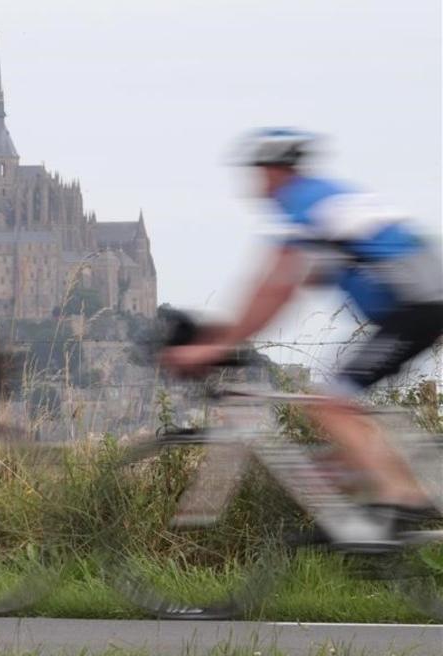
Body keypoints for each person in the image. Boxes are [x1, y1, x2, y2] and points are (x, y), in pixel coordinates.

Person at [164, 128, 443, 535]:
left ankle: (403, 501)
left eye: (260, 173)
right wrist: (226, 335)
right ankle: (357, 515)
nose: (257, 184)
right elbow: (290, 290)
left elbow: (273, 289)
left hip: (415, 308)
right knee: (341, 412)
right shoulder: (327, 202)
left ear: (276, 171)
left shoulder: (305, 203)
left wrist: (214, 347)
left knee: (330, 404)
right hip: (415, 306)